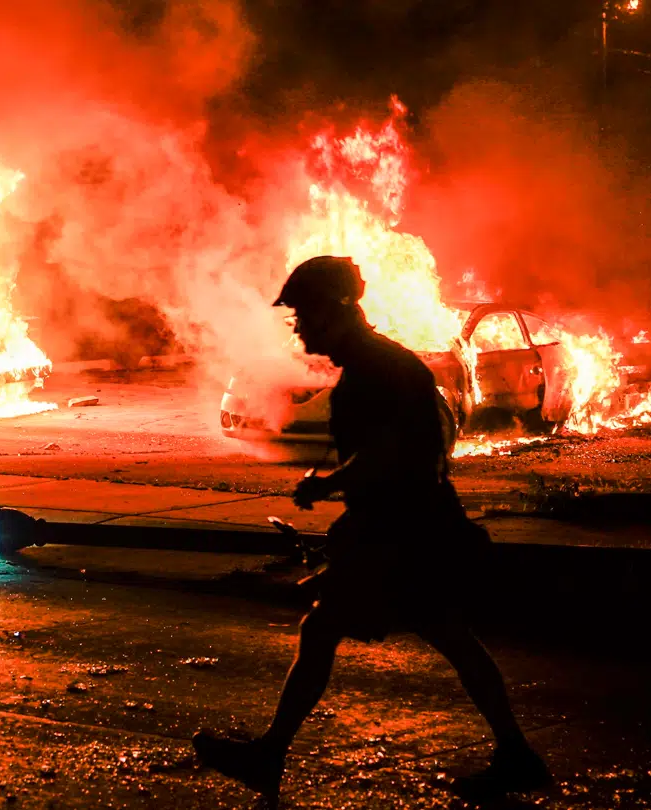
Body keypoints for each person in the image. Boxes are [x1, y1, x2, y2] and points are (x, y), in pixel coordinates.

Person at [192, 256, 550, 802]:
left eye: (303, 315)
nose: (298, 329)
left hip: (402, 534)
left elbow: (392, 455)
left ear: (335, 311)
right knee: (444, 635)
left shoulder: (377, 372)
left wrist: (330, 486)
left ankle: (269, 757)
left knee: (331, 629)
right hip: (407, 527)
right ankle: (517, 754)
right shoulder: (379, 366)